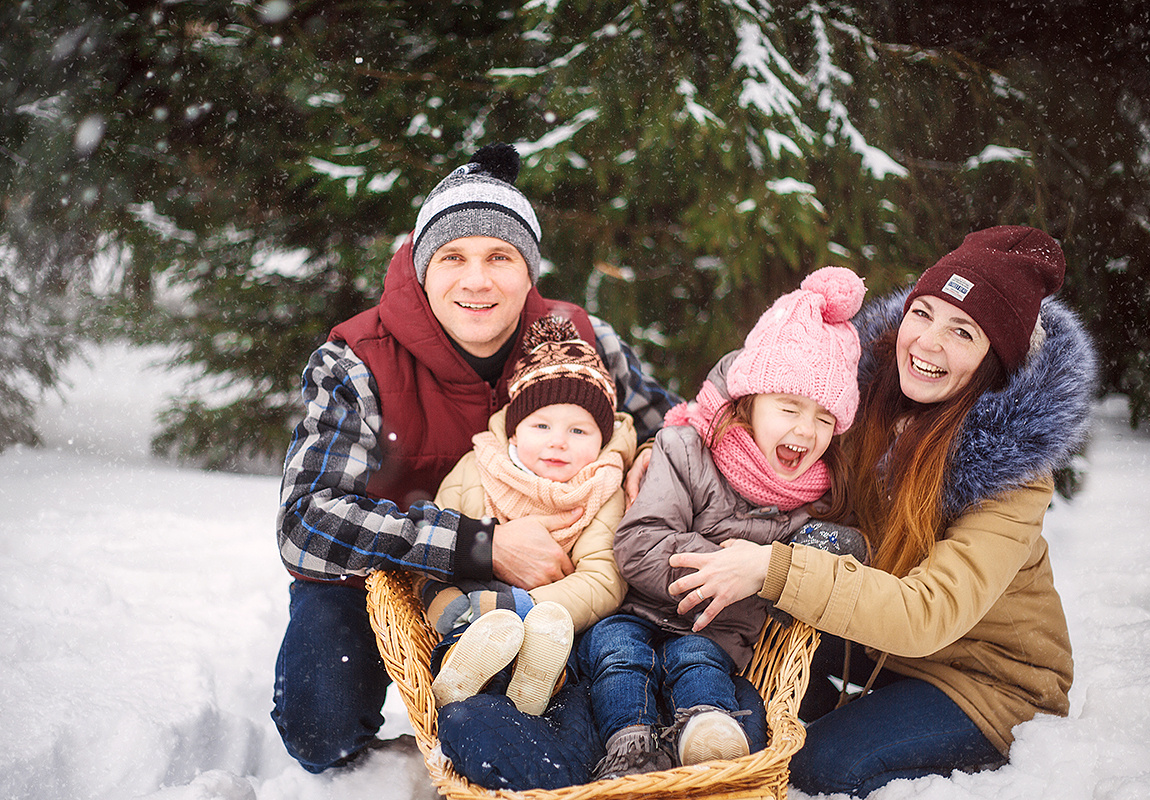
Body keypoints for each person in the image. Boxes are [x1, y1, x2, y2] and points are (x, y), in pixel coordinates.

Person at [271, 143, 678, 774]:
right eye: (454, 257)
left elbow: (677, 425)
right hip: (385, 573)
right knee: (318, 727)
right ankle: (395, 756)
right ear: (423, 268)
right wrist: (479, 545)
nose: (477, 280)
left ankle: (529, 737)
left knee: (579, 680)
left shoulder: (582, 340)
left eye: (500, 257)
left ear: (529, 271)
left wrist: (656, 453)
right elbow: (306, 524)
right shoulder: (357, 360)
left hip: (562, 578)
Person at [667, 226, 1098, 796]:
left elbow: (928, 613)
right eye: (922, 313)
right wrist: (675, 448)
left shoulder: (1012, 475)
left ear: (995, 361)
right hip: (876, 644)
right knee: (748, 710)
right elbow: (762, 396)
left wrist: (774, 569)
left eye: (962, 331)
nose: (927, 343)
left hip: (984, 680)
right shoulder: (866, 398)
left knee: (818, 768)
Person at [578, 267, 872, 779]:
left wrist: (767, 569)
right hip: (641, 610)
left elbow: (845, 554)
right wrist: (727, 566)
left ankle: (708, 734)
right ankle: (629, 743)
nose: (805, 430)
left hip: (719, 634)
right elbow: (638, 542)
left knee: (697, 660)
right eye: (789, 407)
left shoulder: (817, 498)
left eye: (824, 419)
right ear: (751, 403)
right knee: (615, 651)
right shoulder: (685, 450)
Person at [421, 315, 637, 717]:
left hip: (555, 615)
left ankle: (534, 682)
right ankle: (461, 669)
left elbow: (603, 580)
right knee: (452, 606)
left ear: (602, 440)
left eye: (579, 431)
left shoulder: (603, 488)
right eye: (541, 425)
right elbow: (436, 540)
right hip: (470, 601)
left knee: (555, 636)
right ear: (515, 431)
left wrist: (520, 606)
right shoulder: (478, 467)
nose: (558, 441)